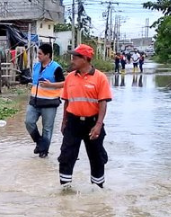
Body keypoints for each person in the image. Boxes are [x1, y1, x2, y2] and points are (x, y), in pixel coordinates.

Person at [58, 44, 112, 188]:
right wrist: (64, 122)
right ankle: (65, 190)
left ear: (86, 59)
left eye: (75, 57)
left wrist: (98, 125)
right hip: (73, 122)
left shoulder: (100, 78)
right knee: (66, 156)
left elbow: (103, 103)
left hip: (92, 123)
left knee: (96, 158)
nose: (72, 60)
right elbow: (67, 101)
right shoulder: (70, 77)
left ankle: (98, 189)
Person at [25, 43, 65, 158]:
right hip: (34, 101)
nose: (38, 56)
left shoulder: (56, 67)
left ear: (48, 55)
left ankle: (44, 152)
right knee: (29, 122)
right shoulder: (36, 66)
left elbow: (64, 83)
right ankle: (39, 142)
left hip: (49, 103)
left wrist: (51, 85)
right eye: (38, 53)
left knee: (47, 128)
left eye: (40, 54)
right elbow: (35, 82)